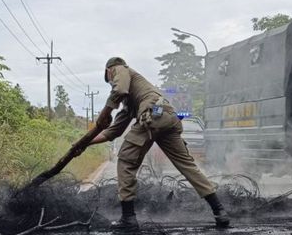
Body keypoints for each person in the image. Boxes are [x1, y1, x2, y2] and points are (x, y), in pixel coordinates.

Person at [81, 57, 230, 231]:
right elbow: (113, 132)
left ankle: (128, 218)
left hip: (152, 115)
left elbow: (119, 89)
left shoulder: (119, 68)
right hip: (168, 118)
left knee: (125, 161)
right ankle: (220, 211)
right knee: (188, 166)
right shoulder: (130, 102)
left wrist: (104, 113)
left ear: (109, 71)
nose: (112, 84)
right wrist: (85, 143)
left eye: (110, 81)